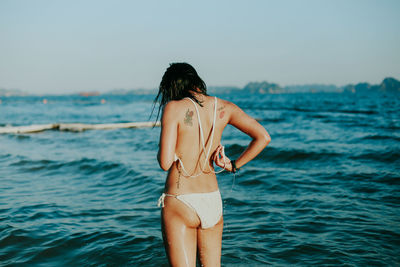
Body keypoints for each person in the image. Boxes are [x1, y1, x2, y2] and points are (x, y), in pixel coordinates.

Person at [153, 63, 270, 266]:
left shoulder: (174, 107)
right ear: (196, 80)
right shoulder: (224, 107)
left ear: (172, 86)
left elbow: (165, 163)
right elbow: (263, 137)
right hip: (212, 201)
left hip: (181, 200)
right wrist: (233, 165)